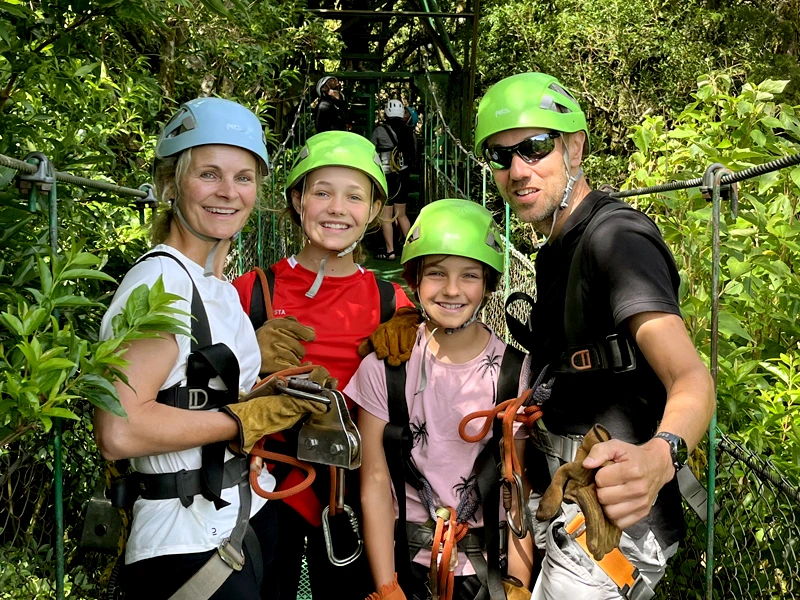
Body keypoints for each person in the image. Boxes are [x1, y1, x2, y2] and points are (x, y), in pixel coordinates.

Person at [469, 72, 716, 598]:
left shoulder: (616, 239)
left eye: (534, 148)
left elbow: (692, 378)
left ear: (574, 147)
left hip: (614, 526)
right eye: (500, 155)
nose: (517, 169)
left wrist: (660, 455)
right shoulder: (555, 247)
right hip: (565, 499)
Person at [93, 98, 329, 599]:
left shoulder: (212, 284)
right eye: (209, 174)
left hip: (239, 518)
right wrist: (245, 421)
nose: (228, 192)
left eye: (244, 178)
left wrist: (263, 379)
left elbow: (189, 382)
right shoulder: (158, 284)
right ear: (170, 183)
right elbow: (120, 428)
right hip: (185, 544)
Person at [232, 130, 414, 600]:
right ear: (297, 200)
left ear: (374, 210)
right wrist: (245, 354)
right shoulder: (250, 292)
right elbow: (201, 390)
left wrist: (421, 323)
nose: (337, 208)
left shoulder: (391, 302)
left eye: (355, 196)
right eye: (322, 193)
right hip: (267, 487)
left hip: (355, 488)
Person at [347, 199, 534, 600]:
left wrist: (518, 583)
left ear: (488, 284)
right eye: (436, 274)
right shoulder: (384, 369)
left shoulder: (515, 373)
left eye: (469, 275)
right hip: (406, 563)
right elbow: (375, 481)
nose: (451, 290)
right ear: (414, 281)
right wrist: (386, 586)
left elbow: (517, 487)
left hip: (488, 567)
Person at [371, 99, 416, 261]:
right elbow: (413, 154)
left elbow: (370, 150)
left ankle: (390, 252)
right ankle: (413, 250)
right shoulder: (408, 131)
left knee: (386, 217)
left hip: (386, 175)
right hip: (403, 175)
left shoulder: (379, 131)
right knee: (401, 215)